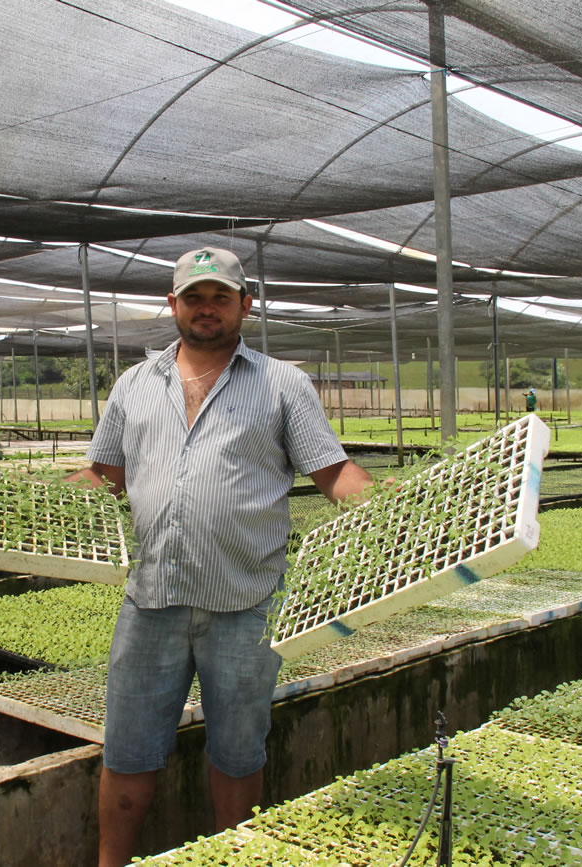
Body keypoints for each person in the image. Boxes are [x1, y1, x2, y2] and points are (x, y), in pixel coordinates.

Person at [67, 247, 374, 867]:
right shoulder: (134, 385)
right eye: (194, 298)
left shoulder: (282, 383)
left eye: (220, 298)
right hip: (150, 601)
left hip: (246, 604)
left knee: (237, 754)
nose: (206, 309)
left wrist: (392, 508)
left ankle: (232, 858)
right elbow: (104, 476)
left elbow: (331, 471)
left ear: (245, 305)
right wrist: (22, 501)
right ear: (173, 304)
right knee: (127, 752)